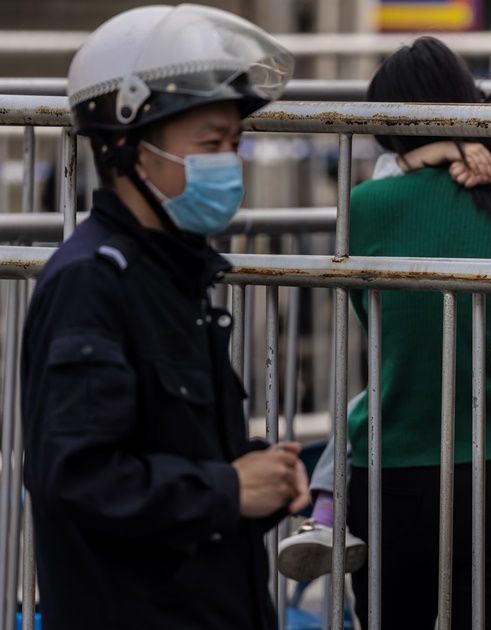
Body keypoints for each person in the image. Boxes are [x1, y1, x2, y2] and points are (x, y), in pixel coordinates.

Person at [20, 5, 308, 629]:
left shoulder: (170, 273)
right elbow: (76, 475)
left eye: (234, 145)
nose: (229, 164)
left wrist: (260, 477)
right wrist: (228, 490)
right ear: (128, 147)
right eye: (209, 144)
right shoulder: (94, 281)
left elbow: (169, 449)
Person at [278, 87, 491, 613]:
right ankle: (328, 512)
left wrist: (468, 169)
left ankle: (329, 511)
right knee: (368, 401)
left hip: (411, 456)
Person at [345, 37, 491, 629]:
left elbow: (365, 313)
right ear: (471, 104)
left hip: (391, 462)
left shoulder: (364, 205)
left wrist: (414, 161)